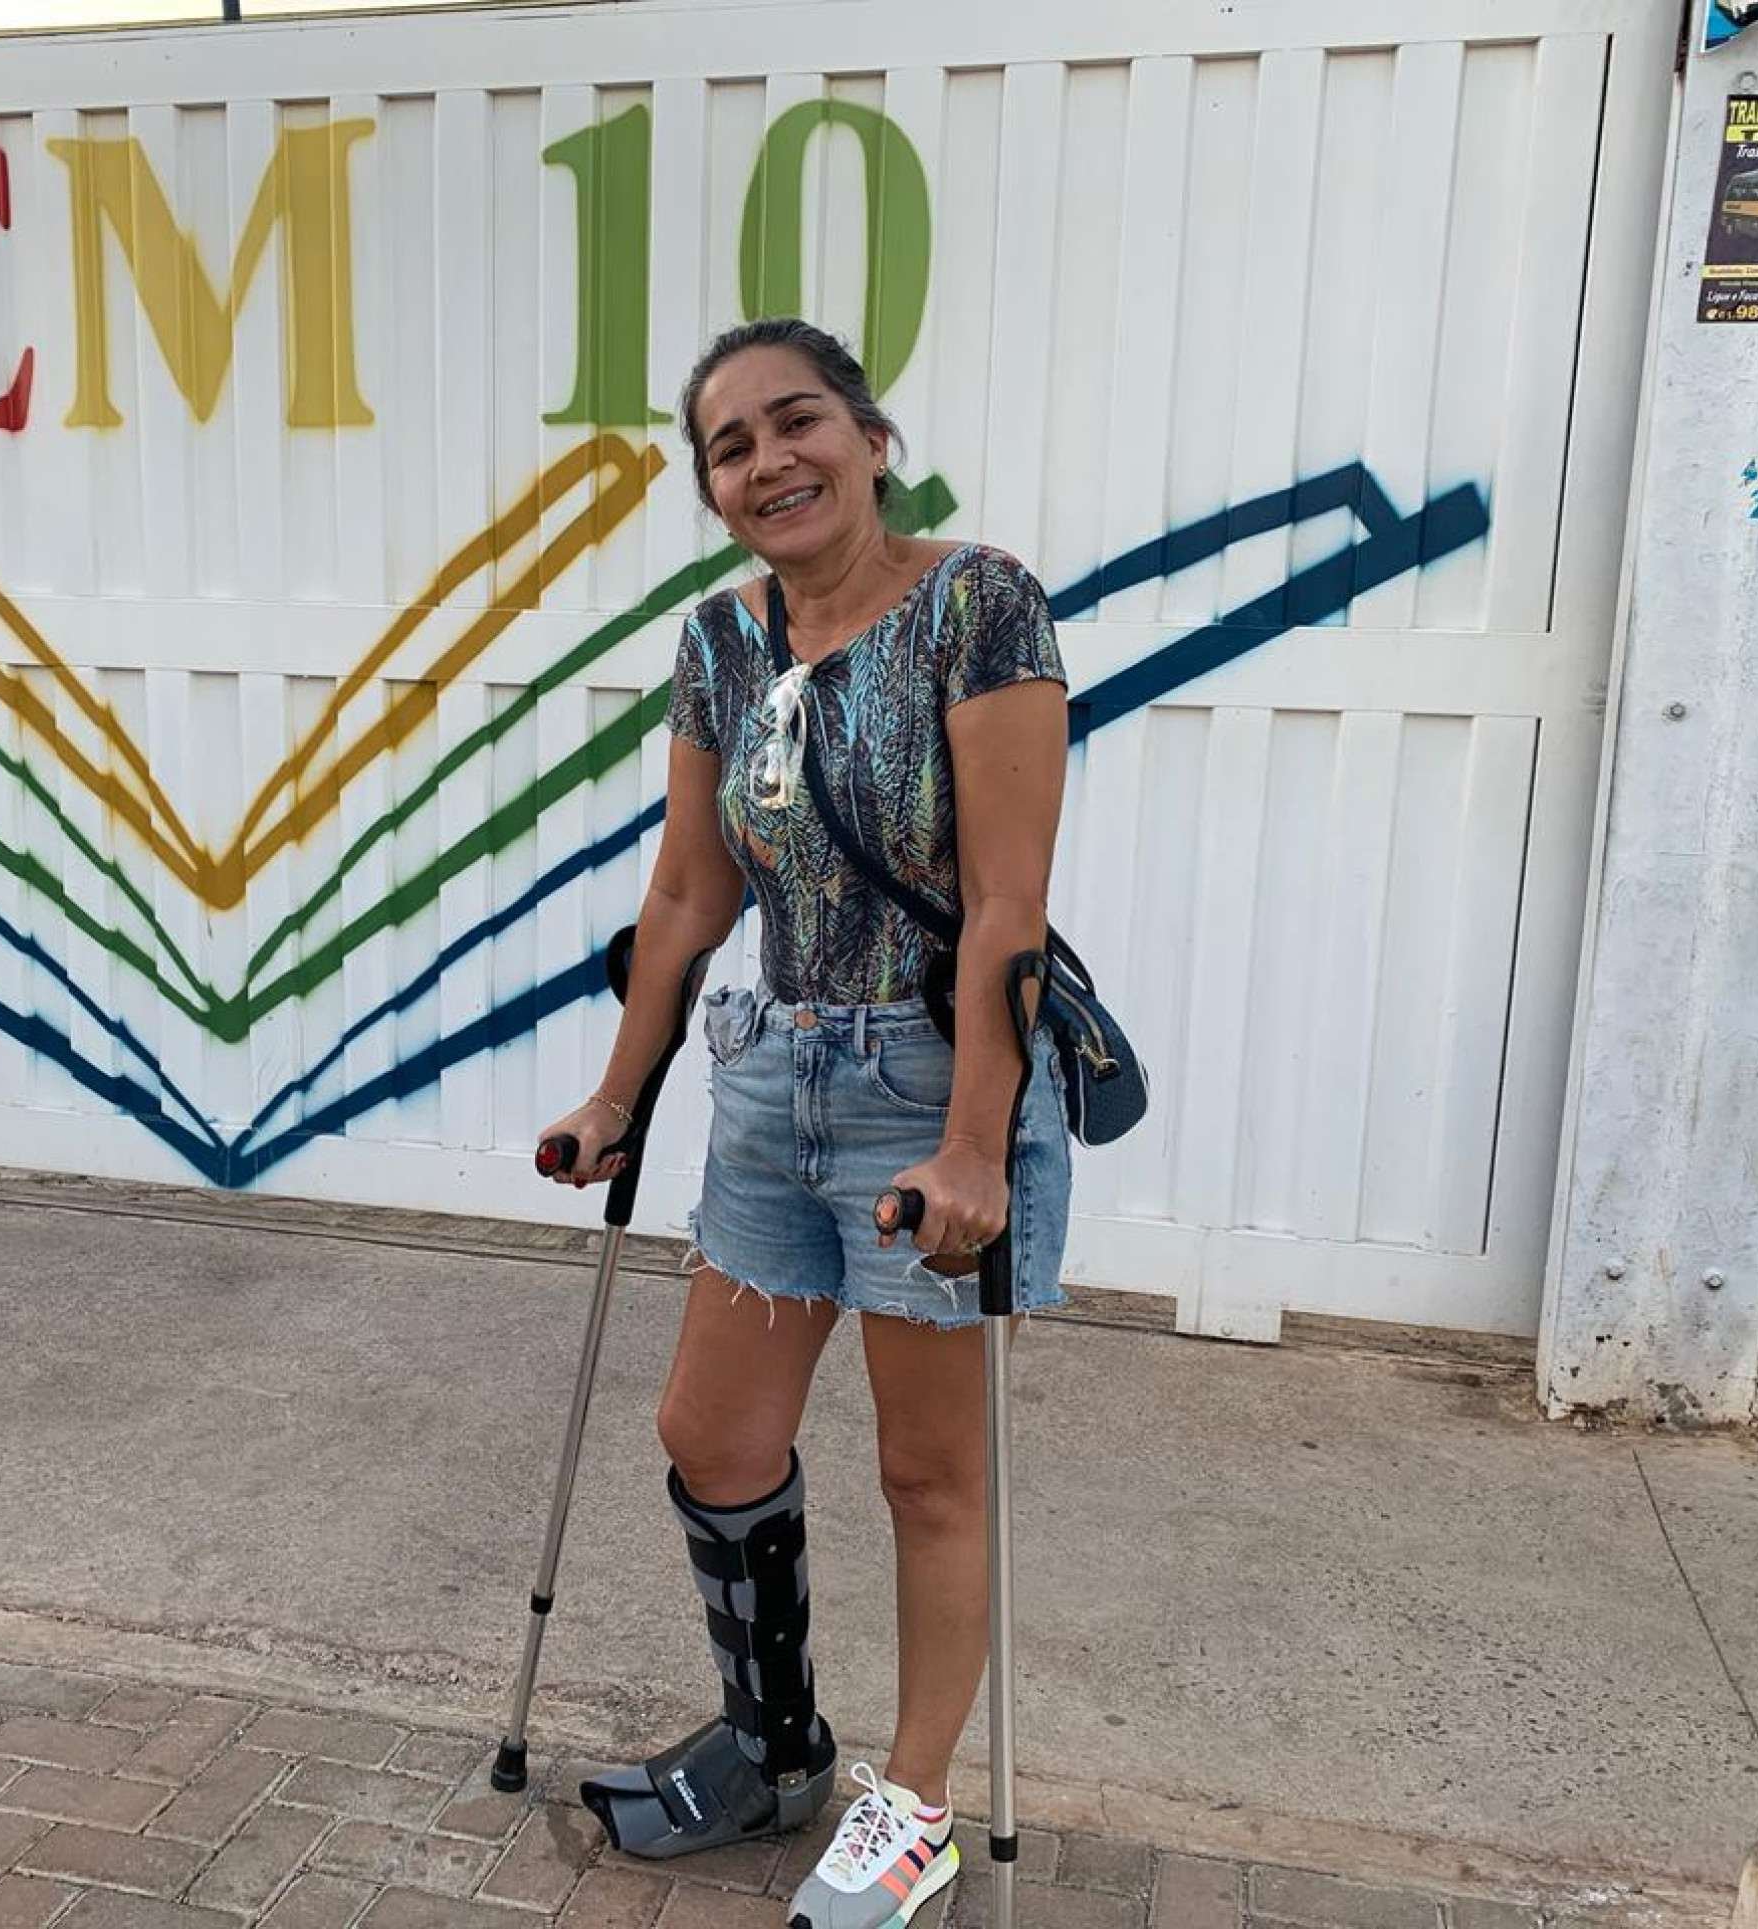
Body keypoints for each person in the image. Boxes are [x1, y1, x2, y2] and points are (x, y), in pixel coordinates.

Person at [534, 318, 1072, 1929]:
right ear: (713, 488)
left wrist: (973, 1142)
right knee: (711, 1432)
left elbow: (1007, 909)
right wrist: (616, 1093)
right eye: (731, 445)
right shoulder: (718, 642)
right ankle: (775, 1750)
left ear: (870, 438)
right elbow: (688, 891)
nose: (771, 459)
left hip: (929, 1077)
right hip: (771, 1074)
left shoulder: (979, 605)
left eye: (799, 421)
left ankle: (915, 1804)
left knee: (928, 1475)